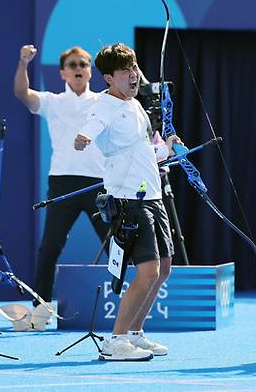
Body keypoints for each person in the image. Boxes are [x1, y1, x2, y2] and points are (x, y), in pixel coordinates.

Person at [74, 42, 179, 361]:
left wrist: (167, 150)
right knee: (147, 272)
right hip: (128, 199)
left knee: (163, 270)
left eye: (134, 68)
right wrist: (84, 138)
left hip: (154, 196)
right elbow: (89, 130)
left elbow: (147, 148)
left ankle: (135, 333)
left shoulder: (135, 105)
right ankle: (114, 341)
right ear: (108, 78)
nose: (133, 76)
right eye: (125, 72)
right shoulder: (102, 106)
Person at [14, 44, 109, 307]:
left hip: (98, 183)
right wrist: (23, 64)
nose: (78, 69)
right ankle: (41, 308)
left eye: (83, 65)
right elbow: (21, 93)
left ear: (91, 72)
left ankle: (127, 308)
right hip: (62, 182)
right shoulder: (52, 102)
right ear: (63, 74)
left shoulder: (104, 101)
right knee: (49, 247)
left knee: (116, 244)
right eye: (73, 65)